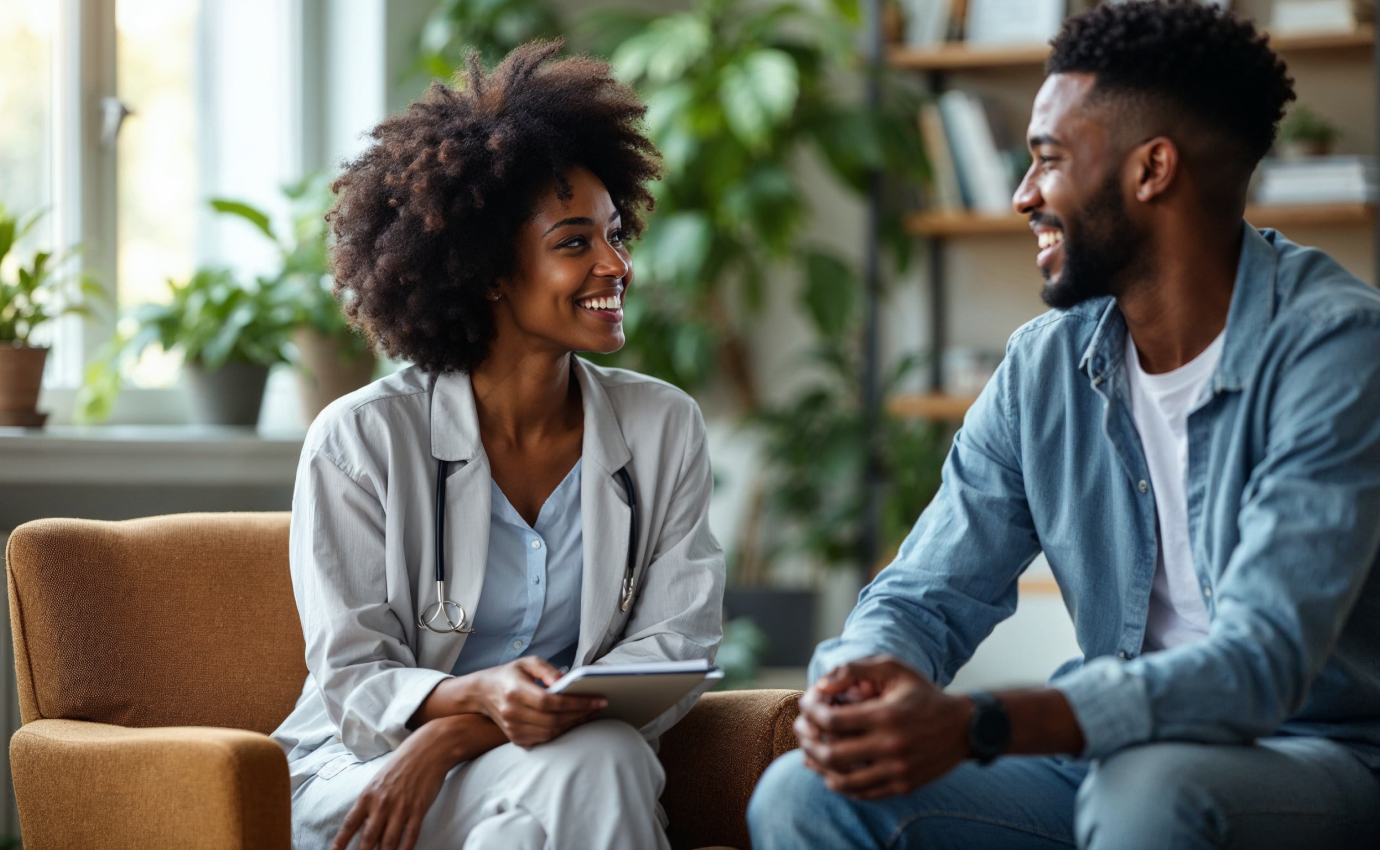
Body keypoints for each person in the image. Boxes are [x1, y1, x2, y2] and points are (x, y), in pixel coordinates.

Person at [749, 2, 1380, 848]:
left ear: (1152, 170)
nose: (1021, 195)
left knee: (1149, 793)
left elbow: (1259, 664)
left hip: (1309, 753)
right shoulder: (1043, 367)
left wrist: (980, 722)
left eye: (1047, 160)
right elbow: (926, 593)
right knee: (806, 795)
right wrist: (863, 681)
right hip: (1107, 757)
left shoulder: (1335, 349)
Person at [271, 42, 724, 850]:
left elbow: (676, 646)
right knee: (605, 765)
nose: (616, 264)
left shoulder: (662, 428)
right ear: (487, 272)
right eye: (575, 243)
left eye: (616, 235)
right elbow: (355, 681)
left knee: (597, 765)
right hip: (367, 773)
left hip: (550, 760)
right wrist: (456, 710)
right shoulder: (361, 440)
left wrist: (459, 732)